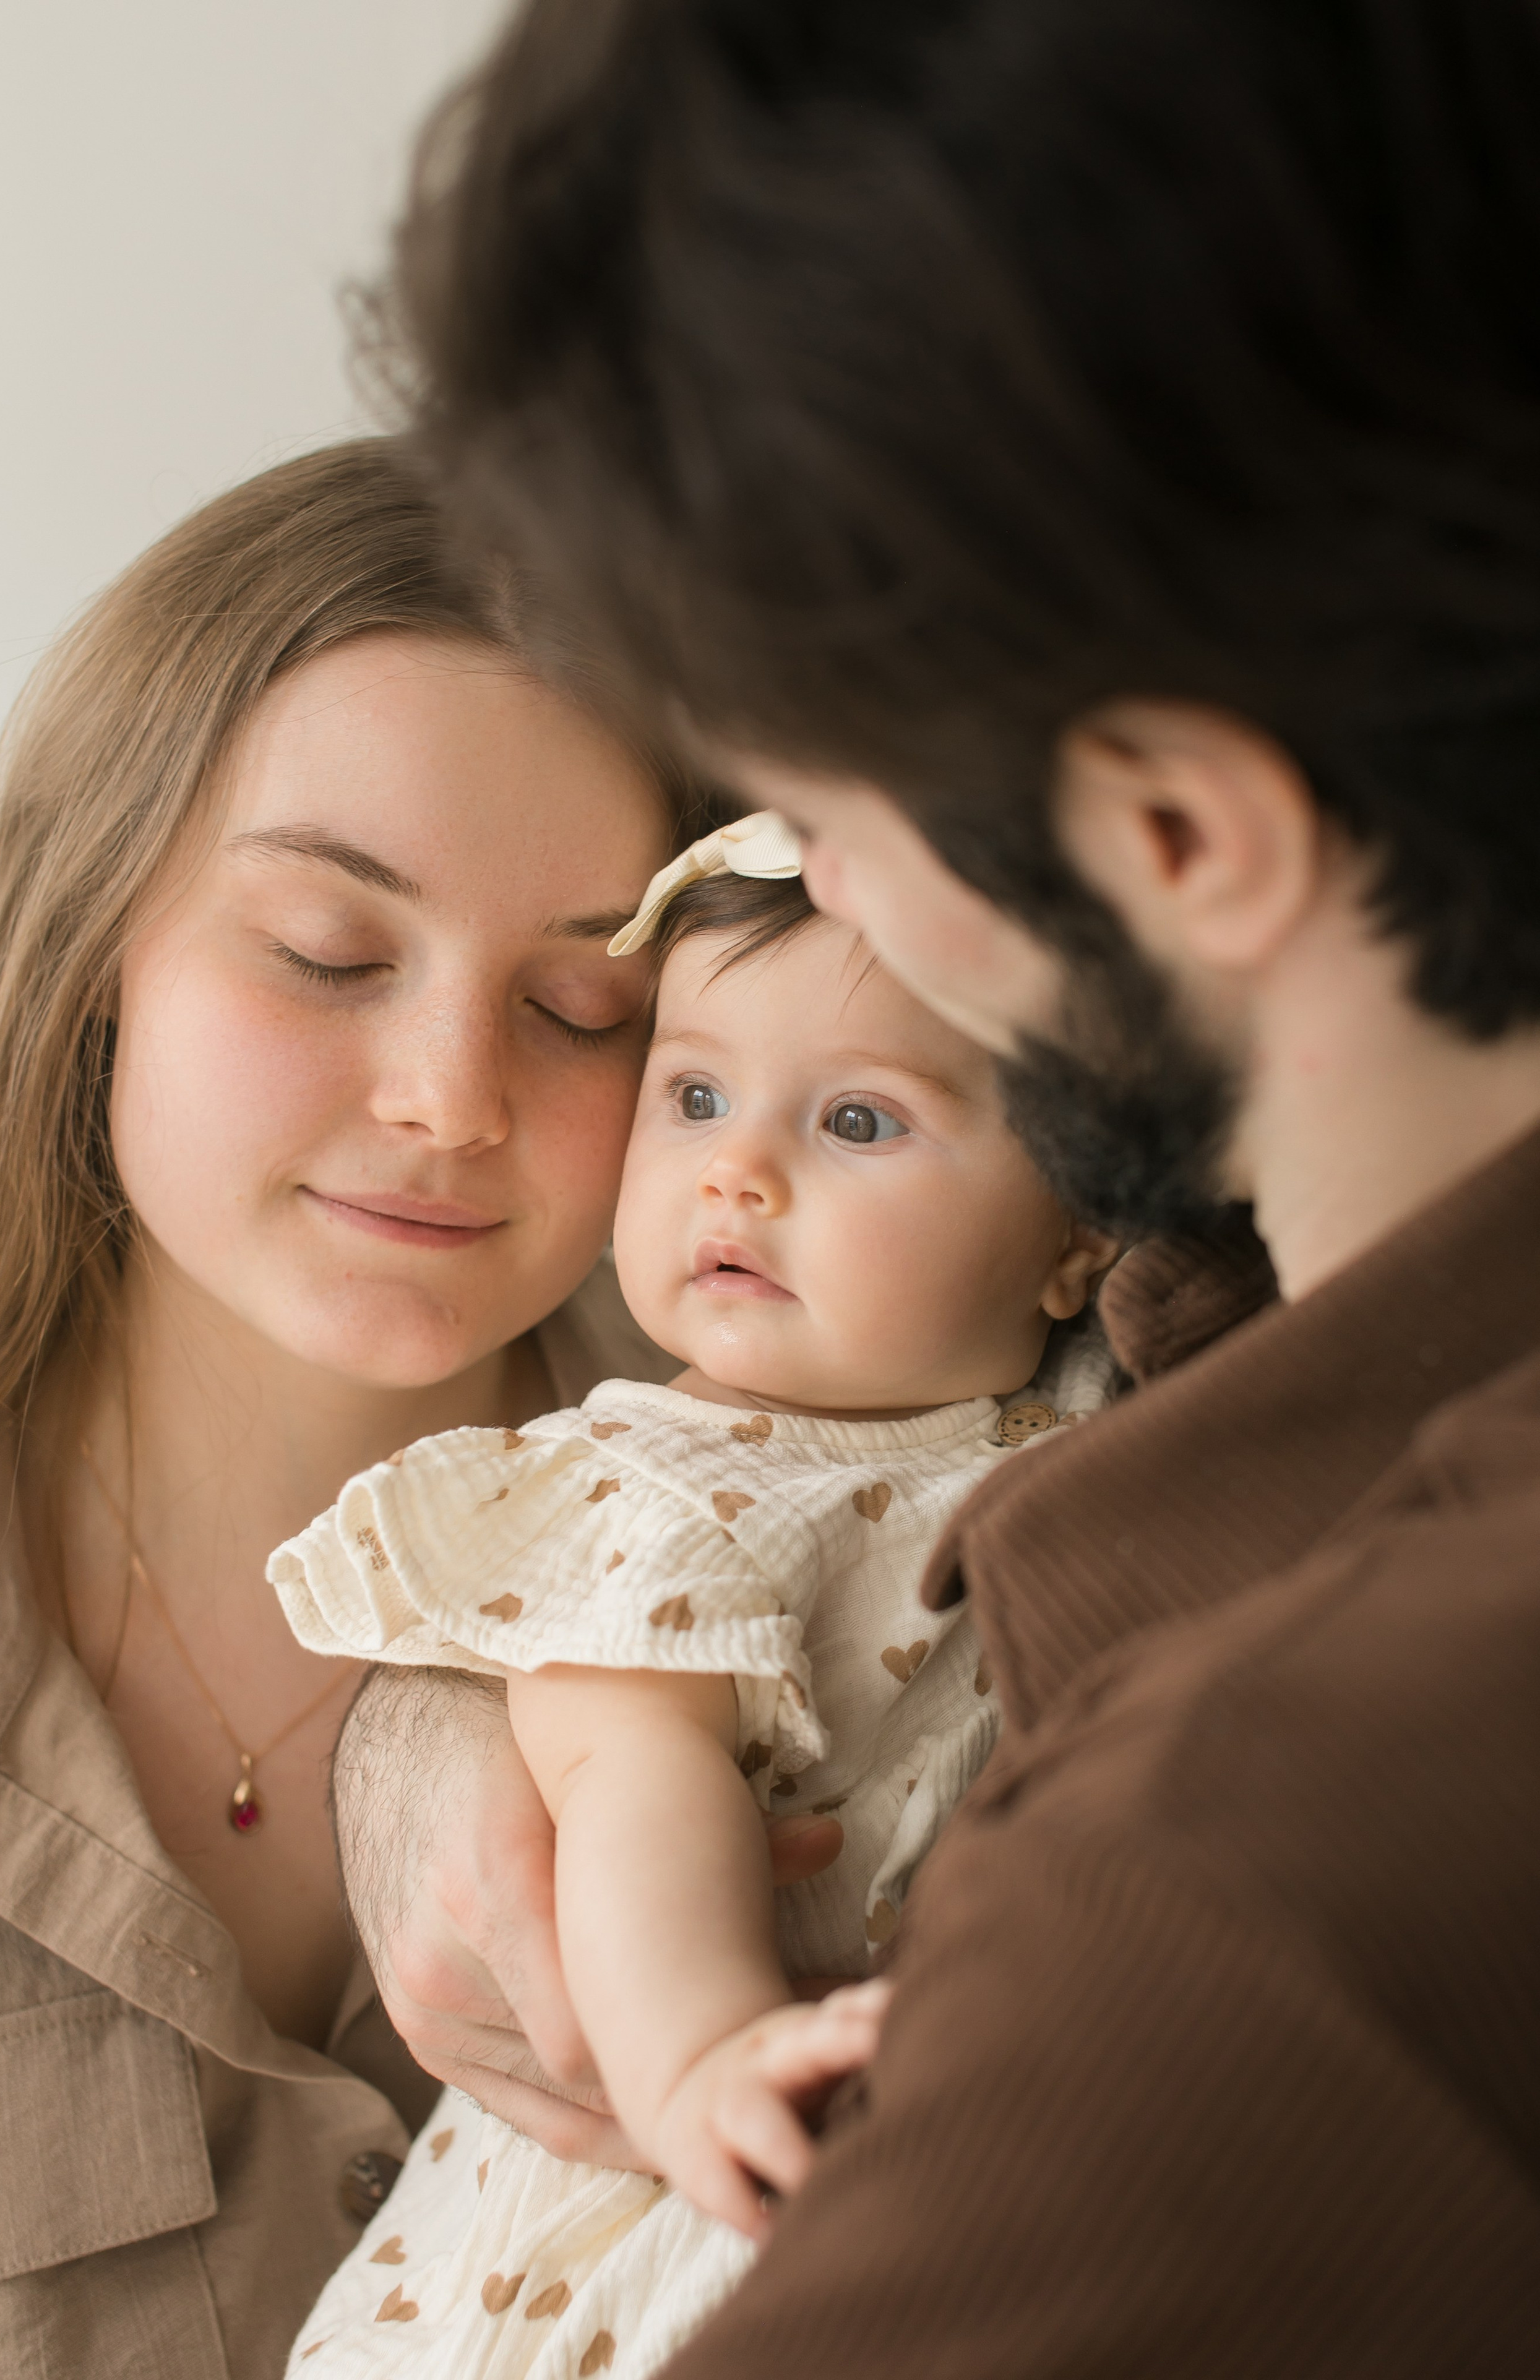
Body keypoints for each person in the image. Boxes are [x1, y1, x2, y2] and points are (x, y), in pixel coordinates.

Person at [327, 2, 1540, 2371]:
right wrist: (475, 1716)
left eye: (826, 821)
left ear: (1171, 829)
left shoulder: (1247, 1921)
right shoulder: (1237, 1425)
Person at [0, 439, 835, 2380]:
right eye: (329, 955)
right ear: (95, 940)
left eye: (583, 1011)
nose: (450, 1097)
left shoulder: (835, 1573)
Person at [268, 824, 1117, 2378]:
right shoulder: (662, 1482)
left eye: (857, 1119)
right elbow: (628, 1779)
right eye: (695, 1096)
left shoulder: (1083, 1412)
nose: (735, 1169)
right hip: (644, 2200)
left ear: (1079, 1236)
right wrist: (711, 2057)